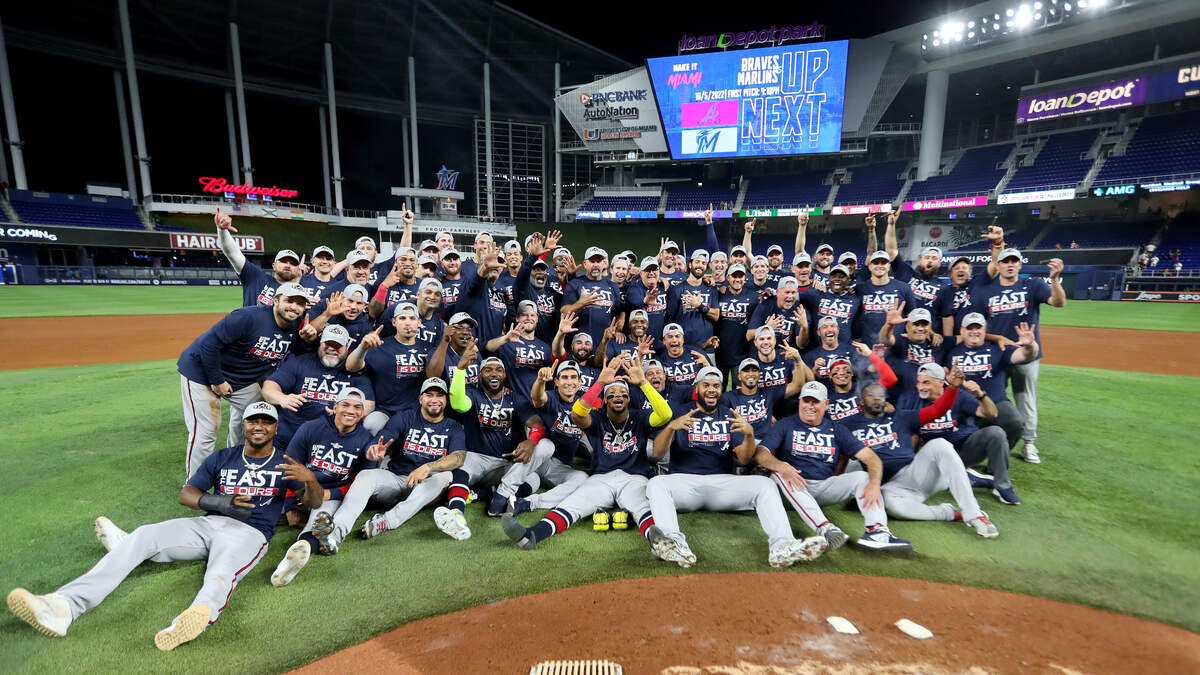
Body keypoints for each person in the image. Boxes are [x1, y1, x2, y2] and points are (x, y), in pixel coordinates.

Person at [8, 403, 322, 650]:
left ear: (275, 428)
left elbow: (314, 502)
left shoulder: (286, 465)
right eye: (253, 421)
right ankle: (63, 607)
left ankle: (194, 617)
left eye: (266, 423)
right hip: (207, 524)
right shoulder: (223, 457)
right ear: (244, 425)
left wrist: (310, 482)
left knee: (222, 573)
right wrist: (221, 503)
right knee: (144, 535)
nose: (259, 427)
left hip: (250, 534)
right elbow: (187, 494)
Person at [645, 367, 828, 568]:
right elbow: (658, 452)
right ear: (697, 387)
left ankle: (782, 546)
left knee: (764, 484)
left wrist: (749, 435)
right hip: (685, 483)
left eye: (716, 386)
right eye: (706, 385)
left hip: (721, 484)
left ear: (721, 390)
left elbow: (744, 457)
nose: (711, 390)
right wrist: (672, 427)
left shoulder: (728, 414)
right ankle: (674, 544)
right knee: (656, 483)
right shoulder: (680, 410)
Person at [501, 356, 671, 550]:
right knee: (571, 505)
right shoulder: (598, 418)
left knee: (642, 509)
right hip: (600, 478)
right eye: (612, 393)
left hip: (635, 477)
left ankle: (659, 544)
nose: (618, 396)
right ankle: (532, 535)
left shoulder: (639, 417)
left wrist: (643, 382)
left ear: (628, 398)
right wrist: (599, 383)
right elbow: (577, 414)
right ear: (605, 400)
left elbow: (665, 415)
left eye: (622, 393)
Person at [177, 282, 324, 477]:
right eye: (289, 301)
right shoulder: (247, 317)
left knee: (260, 415)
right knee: (206, 432)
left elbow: (296, 352)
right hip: (201, 372)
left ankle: (234, 461)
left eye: (300, 303)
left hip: (240, 380)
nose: (294, 307)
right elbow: (209, 345)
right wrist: (217, 380)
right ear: (275, 301)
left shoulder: (295, 327)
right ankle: (195, 485)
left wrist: (310, 340)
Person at [311, 378, 467, 553]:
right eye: (429, 395)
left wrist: (428, 467)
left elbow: (458, 457)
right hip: (396, 479)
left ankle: (387, 521)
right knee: (365, 476)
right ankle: (335, 534)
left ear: (446, 400)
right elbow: (384, 437)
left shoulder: (453, 427)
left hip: (425, 487)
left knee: (445, 475)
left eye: (439, 395)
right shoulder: (405, 417)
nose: (434, 399)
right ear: (420, 399)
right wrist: (374, 449)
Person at [754, 381, 913, 552]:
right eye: (806, 400)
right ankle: (825, 528)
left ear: (826, 404)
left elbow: (872, 459)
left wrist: (874, 484)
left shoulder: (836, 429)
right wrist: (782, 467)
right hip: (790, 490)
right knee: (779, 472)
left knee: (863, 477)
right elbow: (761, 453)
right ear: (799, 401)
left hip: (824, 486)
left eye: (815, 401)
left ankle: (876, 532)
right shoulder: (785, 425)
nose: (810, 406)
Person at [839, 373, 1000, 538]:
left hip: (915, 473)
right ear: (861, 401)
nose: (877, 398)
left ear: (886, 400)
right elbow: (840, 456)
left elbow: (938, 410)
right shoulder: (848, 425)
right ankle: (950, 513)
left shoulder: (901, 416)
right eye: (871, 395)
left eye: (880, 395)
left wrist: (952, 388)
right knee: (891, 506)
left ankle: (975, 515)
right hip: (889, 487)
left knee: (940, 444)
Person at [268, 389, 381, 586]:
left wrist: (330, 494)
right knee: (258, 510)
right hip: (301, 490)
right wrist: (292, 503)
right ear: (335, 407)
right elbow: (290, 467)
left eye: (357, 407)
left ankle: (294, 557)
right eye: (345, 405)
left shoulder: (366, 441)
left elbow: (359, 485)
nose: (350, 411)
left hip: (329, 497)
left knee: (319, 522)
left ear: (362, 413)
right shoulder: (310, 428)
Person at [970, 249, 1065, 464]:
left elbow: (1058, 302)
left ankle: (1029, 443)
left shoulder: (1032, 285)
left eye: (1014, 261)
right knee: (992, 398)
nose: (1010, 264)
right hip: (995, 354)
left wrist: (1055, 280)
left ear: (1020, 265)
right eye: (1005, 261)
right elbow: (978, 326)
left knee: (1025, 399)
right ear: (999, 265)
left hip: (1026, 354)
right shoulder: (986, 291)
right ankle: (989, 439)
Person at [260, 324, 375, 449]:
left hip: (329, 440)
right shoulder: (300, 362)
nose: (332, 348)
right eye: (328, 344)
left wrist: (345, 412)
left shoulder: (354, 371)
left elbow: (369, 403)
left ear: (347, 348)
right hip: (289, 433)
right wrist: (282, 398)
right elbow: (269, 387)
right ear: (320, 344)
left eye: (338, 346)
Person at [946, 313, 1040, 452]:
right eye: (969, 328)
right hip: (963, 406)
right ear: (962, 331)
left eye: (978, 328)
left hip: (996, 402)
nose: (974, 332)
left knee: (1015, 422)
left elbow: (1025, 355)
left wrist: (1030, 345)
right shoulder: (950, 352)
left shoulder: (998, 348)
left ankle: (996, 460)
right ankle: (965, 458)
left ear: (985, 330)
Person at [346, 302, 433, 433]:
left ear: (419, 322)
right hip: (385, 410)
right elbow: (351, 367)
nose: (407, 323)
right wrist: (362, 347)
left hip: (415, 412)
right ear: (394, 322)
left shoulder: (428, 348)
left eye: (412, 318)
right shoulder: (380, 345)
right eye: (402, 318)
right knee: (370, 425)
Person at [214, 209, 302, 307]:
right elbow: (233, 253)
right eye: (283, 261)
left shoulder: (299, 297)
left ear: (298, 269)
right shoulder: (256, 277)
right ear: (274, 266)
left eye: (293, 263)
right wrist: (222, 230)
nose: (288, 265)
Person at [562, 246, 625, 346]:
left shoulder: (612, 286)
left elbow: (620, 311)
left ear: (603, 264)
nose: (595, 265)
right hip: (579, 345)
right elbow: (564, 312)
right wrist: (581, 304)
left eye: (598, 261)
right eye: (592, 261)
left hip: (604, 344)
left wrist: (618, 329)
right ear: (585, 264)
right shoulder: (575, 284)